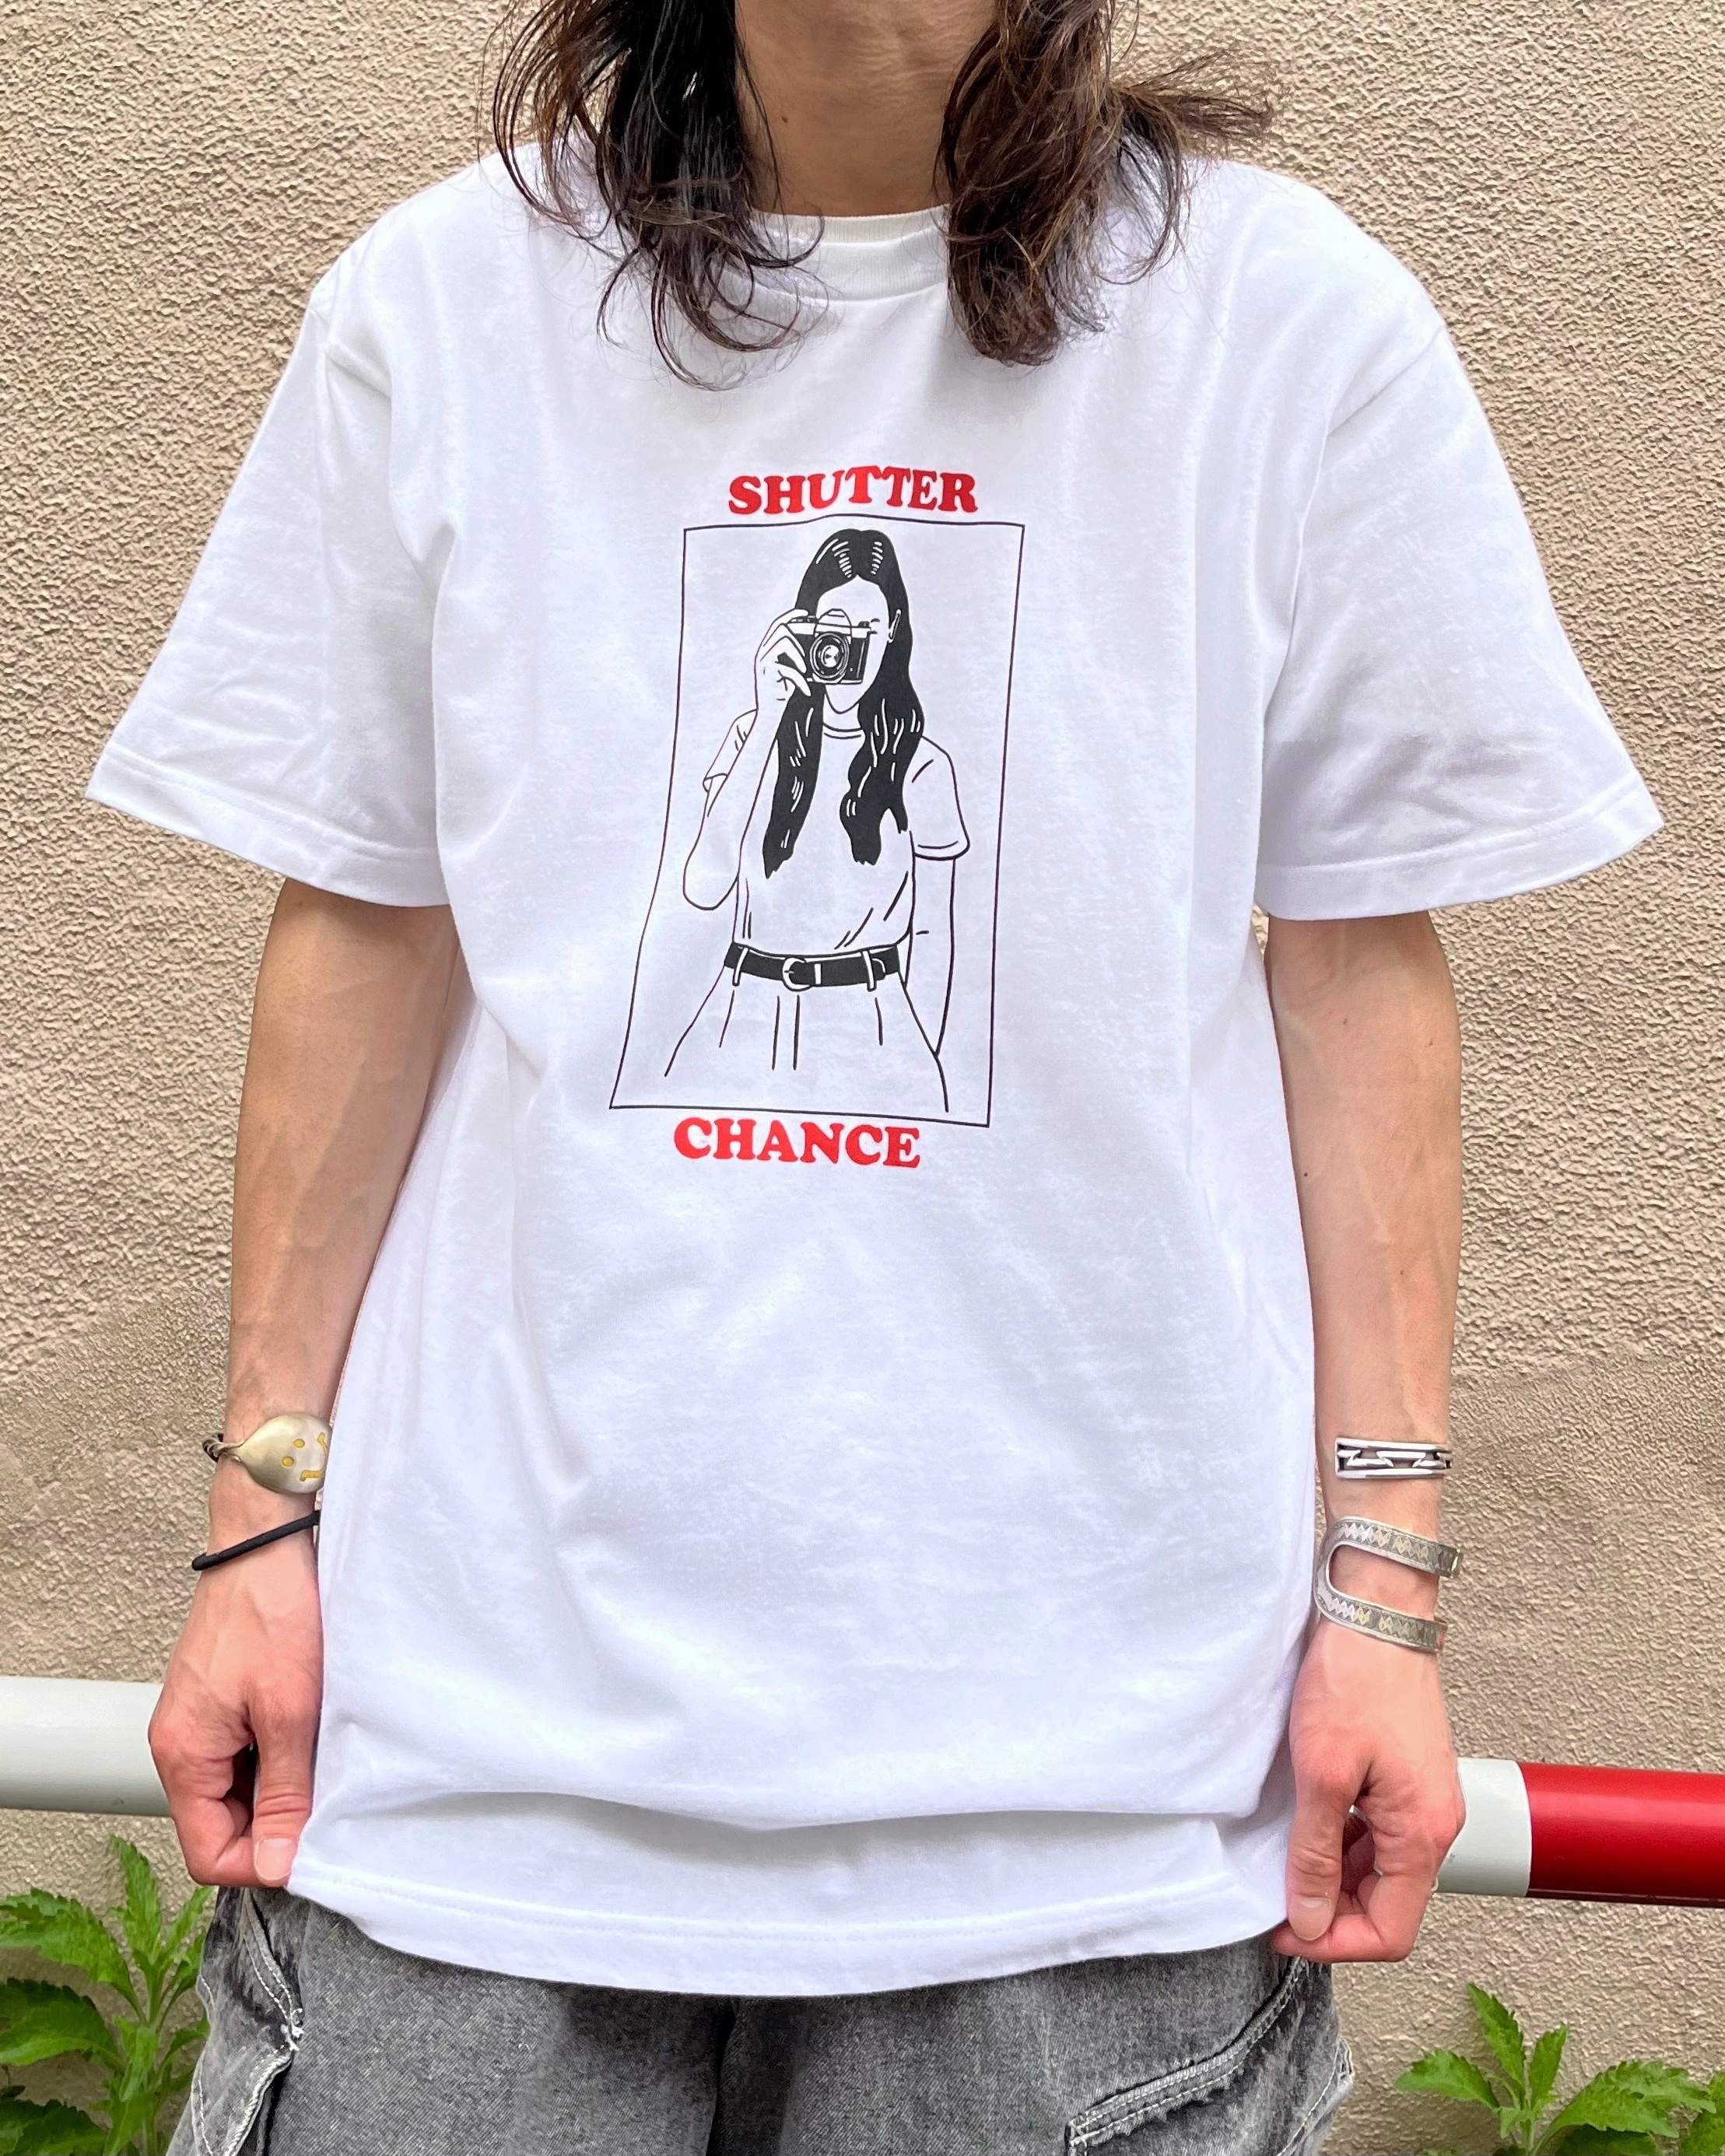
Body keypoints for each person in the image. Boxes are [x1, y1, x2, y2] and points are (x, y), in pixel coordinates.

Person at [86, 0, 1660, 2149]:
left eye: (851, 623)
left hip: (1089, 1784)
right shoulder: (443, 304)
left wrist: (1378, 1584)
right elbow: (368, 921)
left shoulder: (1283, 322)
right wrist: (259, 1518)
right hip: (478, 1746)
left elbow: (1356, 971)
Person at [669, 526, 966, 1114]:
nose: (845, 652)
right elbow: (703, 888)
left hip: (870, 1019)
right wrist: (768, 714)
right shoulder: (752, 737)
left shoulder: (922, 764)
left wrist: (916, 1053)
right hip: (742, 1010)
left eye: (866, 631)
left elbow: (933, 932)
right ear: (803, 629)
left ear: (893, 633)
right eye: (833, 629)